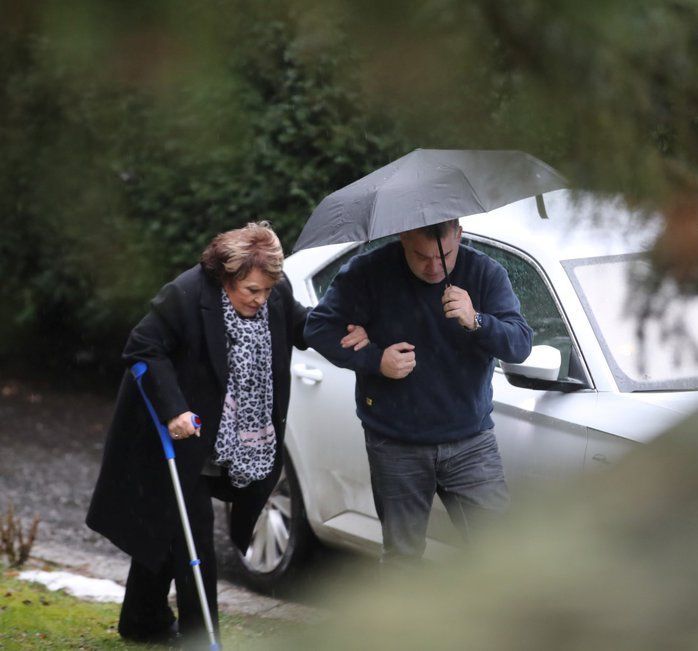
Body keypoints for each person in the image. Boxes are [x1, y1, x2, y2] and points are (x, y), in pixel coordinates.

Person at [86, 222, 367, 644]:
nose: (261, 299)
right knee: (193, 533)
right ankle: (203, 638)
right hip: (178, 435)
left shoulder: (272, 294)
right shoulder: (185, 295)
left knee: (170, 527)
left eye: (268, 291)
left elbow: (302, 326)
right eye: (252, 290)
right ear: (226, 276)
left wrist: (347, 336)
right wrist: (175, 410)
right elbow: (143, 348)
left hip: (233, 438)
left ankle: (142, 622)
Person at [304, 219, 533, 565]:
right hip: (396, 441)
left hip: (470, 439)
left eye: (444, 256)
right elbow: (318, 328)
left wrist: (477, 321)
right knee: (402, 558)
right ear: (403, 236)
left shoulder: (486, 273)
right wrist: (375, 359)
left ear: (458, 233)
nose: (433, 266)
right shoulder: (370, 272)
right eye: (420, 256)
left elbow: (520, 345)